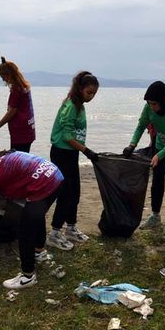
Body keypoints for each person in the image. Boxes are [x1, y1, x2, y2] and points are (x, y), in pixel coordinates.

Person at [0, 151, 63, 289]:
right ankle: (39, 252)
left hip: (44, 182)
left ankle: (28, 276)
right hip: (55, 174)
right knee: (35, 217)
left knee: (24, 231)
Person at [123, 81, 165, 235]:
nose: (151, 107)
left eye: (154, 104)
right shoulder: (148, 108)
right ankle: (155, 216)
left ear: (163, 101)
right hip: (160, 144)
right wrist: (131, 145)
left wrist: (158, 156)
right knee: (157, 181)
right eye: (149, 103)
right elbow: (141, 126)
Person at [47, 71, 100, 250]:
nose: (91, 96)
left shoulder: (80, 104)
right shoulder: (71, 106)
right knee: (65, 194)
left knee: (75, 192)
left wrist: (83, 150)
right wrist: (87, 151)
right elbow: (67, 136)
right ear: (80, 89)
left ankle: (70, 227)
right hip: (62, 153)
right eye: (89, 93)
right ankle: (54, 233)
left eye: (94, 93)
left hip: (71, 153)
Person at [0, 57, 35, 152]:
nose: (3, 79)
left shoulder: (16, 90)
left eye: (3, 76)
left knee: (18, 159)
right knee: (22, 157)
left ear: (9, 74)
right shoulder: (24, 87)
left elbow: (12, 111)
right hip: (28, 130)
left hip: (20, 132)